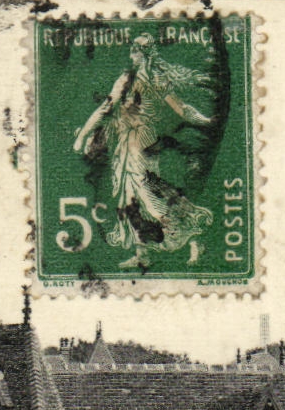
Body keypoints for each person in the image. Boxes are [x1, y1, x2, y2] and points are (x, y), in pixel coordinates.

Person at [72, 34, 216, 269]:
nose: (131, 56)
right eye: (131, 51)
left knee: (149, 199)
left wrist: (82, 136)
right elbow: (109, 107)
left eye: (134, 51)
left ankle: (193, 237)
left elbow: (181, 109)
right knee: (130, 198)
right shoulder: (136, 79)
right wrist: (207, 120)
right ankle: (142, 254)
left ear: (143, 54)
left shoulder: (144, 79)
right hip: (129, 143)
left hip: (138, 144)